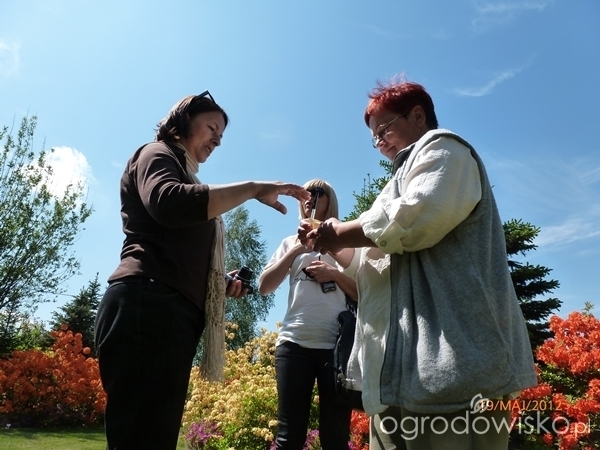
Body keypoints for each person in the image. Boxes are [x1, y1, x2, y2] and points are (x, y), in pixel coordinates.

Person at [299, 79, 537, 450]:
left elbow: (413, 218)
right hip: (400, 372)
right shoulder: (397, 181)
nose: (380, 142)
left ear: (418, 115)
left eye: (384, 129)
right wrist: (325, 239)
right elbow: (369, 260)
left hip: (456, 366)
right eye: (374, 138)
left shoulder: (445, 149)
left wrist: (338, 232)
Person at [94, 91, 309, 450]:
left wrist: (220, 282)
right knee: (141, 437)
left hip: (166, 310)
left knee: (154, 437)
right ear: (181, 122)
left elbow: (178, 249)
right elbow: (169, 204)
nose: (217, 140)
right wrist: (253, 188)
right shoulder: (156, 153)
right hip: (147, 306)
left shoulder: (183, 172)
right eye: (212, 128)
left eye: (221, 136)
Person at [259, 179, 357, 450]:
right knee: (288, 437)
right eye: (304, 193)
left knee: (335, 438)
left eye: (317, 192)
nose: (309, 197)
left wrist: (334, 274)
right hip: (294, 344)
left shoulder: (344, 244)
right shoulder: (289, 243)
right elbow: (264, 287)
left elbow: (360, 293)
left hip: (335, 348)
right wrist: (296, 249)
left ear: (330, 199)